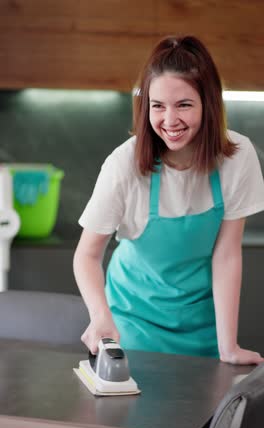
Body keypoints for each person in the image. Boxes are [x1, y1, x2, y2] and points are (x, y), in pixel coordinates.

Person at [73, 35, 264, 365]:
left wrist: (228, 346)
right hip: (133, 323)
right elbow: (87, 255)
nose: (169, 120)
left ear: (209, 103)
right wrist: (100, 315)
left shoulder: (238, 157)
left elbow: (227, 254)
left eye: (184, 105)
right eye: (158, 106)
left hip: (203, 325)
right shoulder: (124, 166)